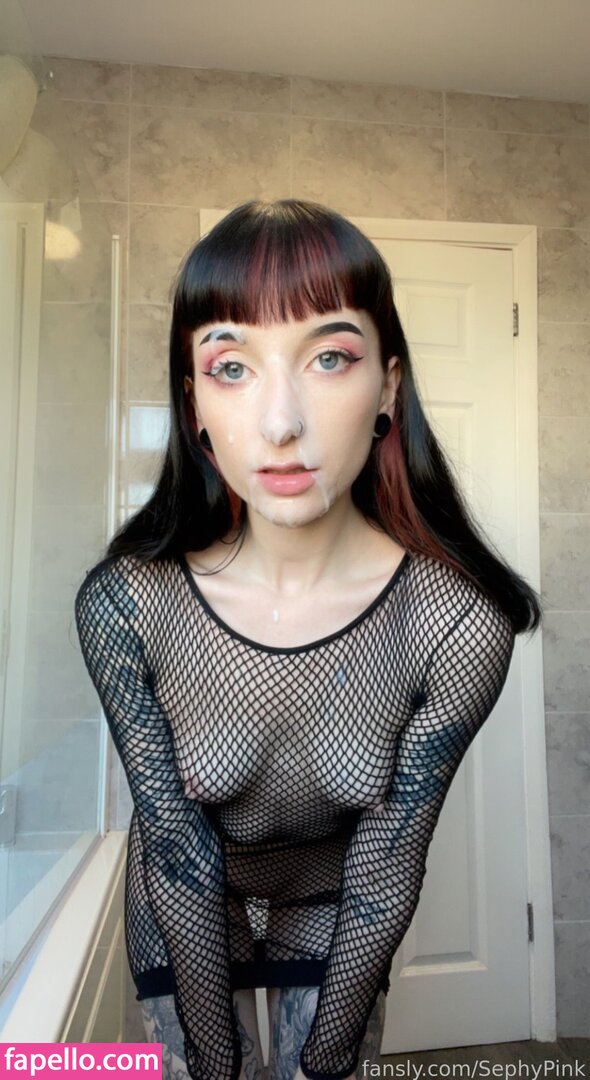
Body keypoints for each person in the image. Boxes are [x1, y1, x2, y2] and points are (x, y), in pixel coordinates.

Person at [74, 198, 543, 1080]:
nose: (280, 423)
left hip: (337, 902)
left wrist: (324, 1065)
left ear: (389, 388)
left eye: (330, 358)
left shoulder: (456, 624)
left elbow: (387, 862)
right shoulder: (128, 606)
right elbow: (174, 846)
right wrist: (216, 1064)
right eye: (231, 366)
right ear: (194, 403)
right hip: (181, 899)